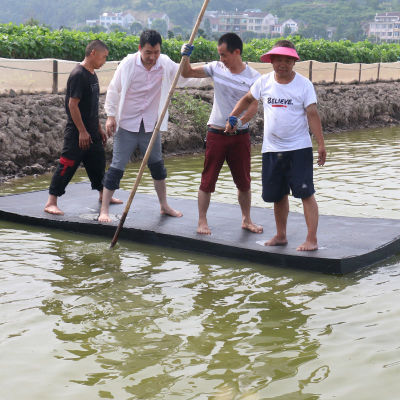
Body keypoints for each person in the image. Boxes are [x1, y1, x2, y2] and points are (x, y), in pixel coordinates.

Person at [226, 40, 326, 251]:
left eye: (287, 60)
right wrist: (233, 118)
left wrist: (321, 145)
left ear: (293, 62)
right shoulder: (264, 82)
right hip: (272, 149)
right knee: (278, 195)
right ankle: (281, 235)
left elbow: (312, 114)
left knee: (306, 193)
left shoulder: (304, 85)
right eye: (278, 60)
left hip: (299, 148)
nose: (282, 64)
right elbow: (246, 99)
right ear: (271, 61)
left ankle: (312, 239)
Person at [99, 29, 199, 223]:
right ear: (140, 49)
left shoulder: (165, 63)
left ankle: (164, 205)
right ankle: (104, 209)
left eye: (156, 52)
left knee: (157, 166)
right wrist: (111, 116)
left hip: (151, 126)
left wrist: (186, 57)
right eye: (148, 53)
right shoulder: (128, 63)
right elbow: (113, 90)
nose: (152, 57)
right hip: (127, 123)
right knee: (117, 167)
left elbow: (184, 78)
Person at [181, 33, 263, 235]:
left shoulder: (254, 78)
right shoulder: (216, 68)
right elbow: (187, 73)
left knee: (244, 181)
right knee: (207, 180)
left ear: (237, 52)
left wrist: (239, 121)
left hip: (240, 136)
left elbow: (253, 107)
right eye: (219, 55)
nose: (221, 59)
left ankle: (246, 220)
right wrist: (185, 57)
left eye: (224, 55)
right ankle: (202, 221)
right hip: (216, 133)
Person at [44, 40, 122, 216]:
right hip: (77, 132)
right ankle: (51, 202)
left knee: (97, 162)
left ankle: (103, 195)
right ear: (93, 53)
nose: (104, 61)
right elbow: (73, 105)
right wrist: (82, 131)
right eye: (103, 57)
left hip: (91, 130)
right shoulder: (79, 74)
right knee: (67, 164)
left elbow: (91, 106)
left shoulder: (92, 74)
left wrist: (98, 128)